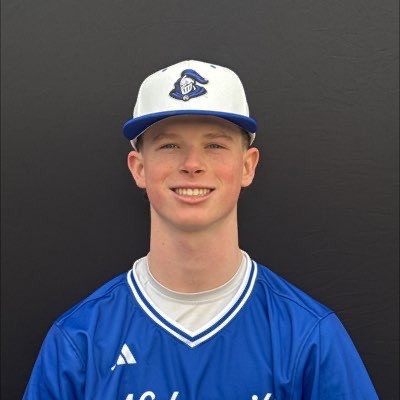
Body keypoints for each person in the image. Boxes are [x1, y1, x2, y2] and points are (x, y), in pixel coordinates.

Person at [23, 60, 378, 400]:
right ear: (139, 168)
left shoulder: (309, 335)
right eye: (169, 145)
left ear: (247, 166)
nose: (192, 164)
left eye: (215, 145)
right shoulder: (79, 341)